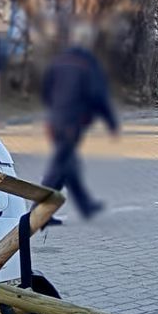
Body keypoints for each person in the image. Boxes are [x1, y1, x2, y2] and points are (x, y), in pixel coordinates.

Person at [40, 23, 118, 218]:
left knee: (69, 165)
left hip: (55, 120)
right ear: (88, 42)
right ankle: (38, 213)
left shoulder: (59, 61)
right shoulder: (87, 63)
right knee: (58, 168)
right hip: (72, 123)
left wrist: (54, 110)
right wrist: (111, 122)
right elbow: (98, 95)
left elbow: (45, 90)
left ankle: (85, 205)